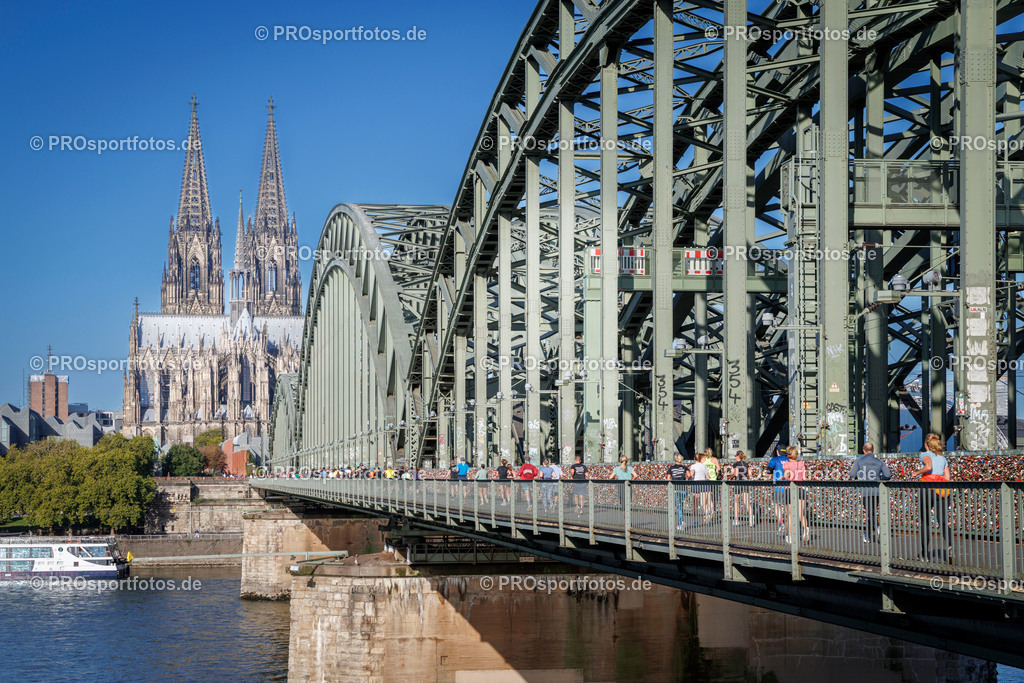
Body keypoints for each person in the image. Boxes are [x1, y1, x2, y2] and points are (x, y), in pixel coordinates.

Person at [915, 432, 952, 561]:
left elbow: (928, 466)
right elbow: (947, 477)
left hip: (927, 488)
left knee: (925, 522)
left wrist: (917, 472)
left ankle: (924, 554)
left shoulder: (924, 454)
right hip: (942, 490)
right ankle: (949, 546)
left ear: (926, 444)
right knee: (942, 521)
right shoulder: (943, 458)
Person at [850, 442, 891, 543]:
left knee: (870, 512)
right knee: (871, 512)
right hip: (877, 491)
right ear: (873, 450)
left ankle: (878, 528)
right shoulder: (879, 462)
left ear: (863, 450)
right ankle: (867, 535)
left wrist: (859, 476)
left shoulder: (859, 461)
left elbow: (852, 474)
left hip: (865, 491)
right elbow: (888, 475)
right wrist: (879, 477)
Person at [781, 445, 809, 542]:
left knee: (789, 514)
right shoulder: (801, 464)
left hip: (790, 489)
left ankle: (790, 536)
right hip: (800, 489)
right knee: (800, 513)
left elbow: (786, 475)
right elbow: (805, 478)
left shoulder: (786, 465)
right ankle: (806, 529)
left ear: (788, 455)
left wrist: (782, 478)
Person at [767, 447, 790, 535]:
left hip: (778, 487)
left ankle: (781, 523)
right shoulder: (789, 459)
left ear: (777, 451)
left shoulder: (774, 459)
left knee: (777, 506)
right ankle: (789, 526)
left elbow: (769, 470)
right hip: (788, 487)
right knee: (788, 508)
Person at [727, 451, 753, 527]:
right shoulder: (745, 464)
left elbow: (736, 473)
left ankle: (736, 519)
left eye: (735, 456)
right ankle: (751, 517)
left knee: (736, 501)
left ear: (737, 457)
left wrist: (732, 472)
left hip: (738, 483)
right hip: (745, 483)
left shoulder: (736, 464)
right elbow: (750, 474)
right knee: (746, 501)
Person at [668, 452, 689, 530]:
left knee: (679, 506)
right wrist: (686, 479)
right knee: (681, 505)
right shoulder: (684, 468)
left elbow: (668, 478)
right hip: (684, 489)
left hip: (676, 489)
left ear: (675, 460)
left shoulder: (671, 468)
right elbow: (689, 474)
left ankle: (681, 522)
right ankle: (681, 521)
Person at [689, 453, 710, 518]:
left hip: (696, 484)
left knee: (695, 503)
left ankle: (695, 520)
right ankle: (707, 512)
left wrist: (688, 475)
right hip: (703, 484)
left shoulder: (693, 466)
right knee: (703, 503)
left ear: (694, 459)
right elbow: (708, 476)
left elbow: (691, 474)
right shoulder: (704, 466)